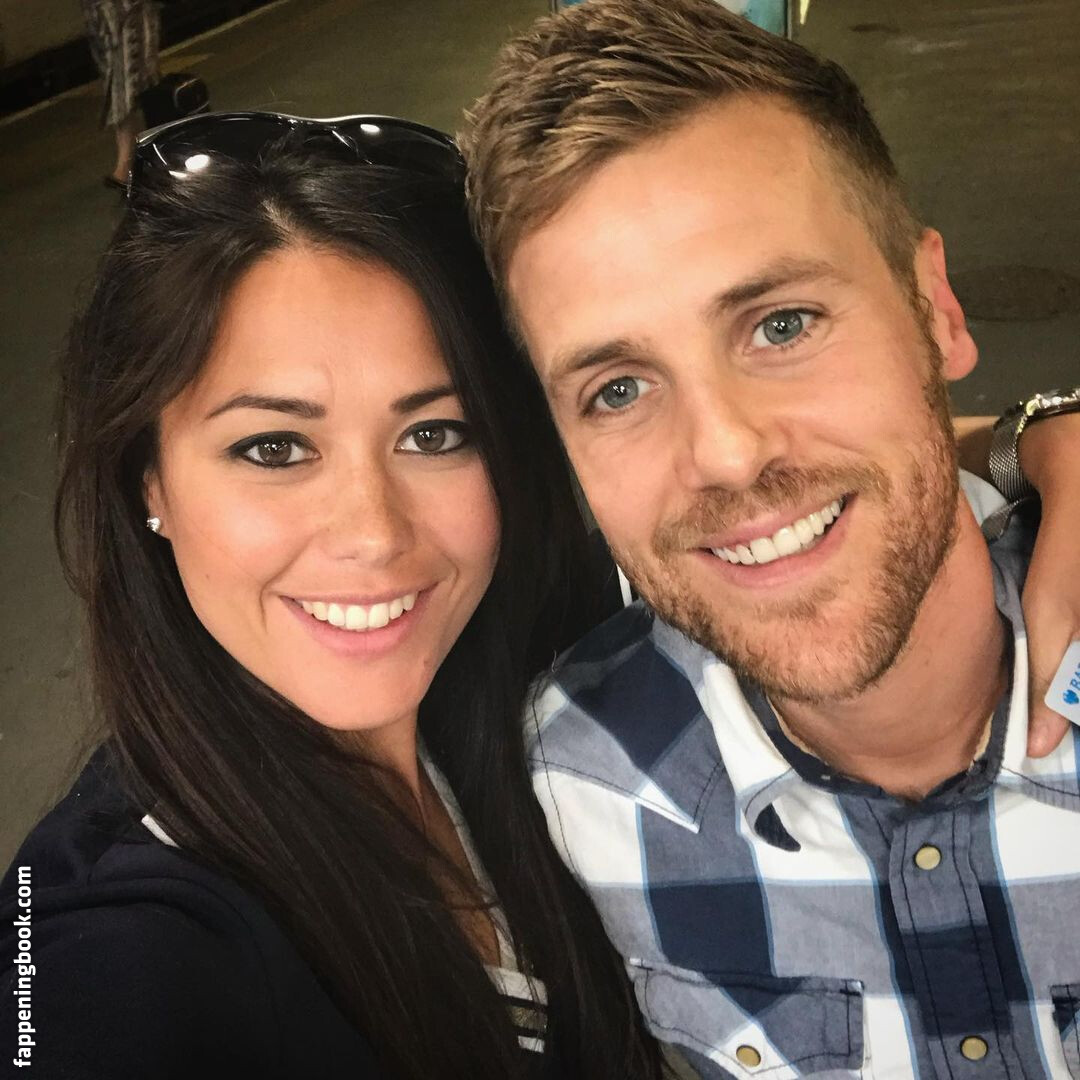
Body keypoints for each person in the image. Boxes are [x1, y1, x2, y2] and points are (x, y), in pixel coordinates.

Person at [461, 1, 1080, 1076]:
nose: (728, 454)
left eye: (782, 324)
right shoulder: (582, 785)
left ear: (935, 309)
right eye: (617, 389)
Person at [0, 115, 660, 1080]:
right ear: (149, 481)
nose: (374, 533)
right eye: (274, 448)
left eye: (435, 435)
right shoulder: (117, 944)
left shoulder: (533, 671)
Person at [81, 0, 161, 188]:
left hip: (127, 11)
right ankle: (143, 156)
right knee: (124, 81)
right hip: (103, 14)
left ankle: (126, 164)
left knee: (126, 82)